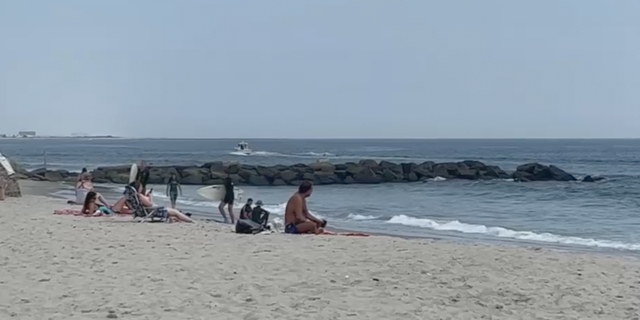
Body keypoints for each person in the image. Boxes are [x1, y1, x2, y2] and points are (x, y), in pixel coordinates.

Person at [130, 181, 195, 223]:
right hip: (154, 211)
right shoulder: (140, 195)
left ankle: (183, 219)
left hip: (151, 211)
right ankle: (190, 221)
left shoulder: (136, 196)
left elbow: (145, 204)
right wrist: (150, 196)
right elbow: (150, 204)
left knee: (174, 213)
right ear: (137, 188)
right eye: (140, 187)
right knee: (176, 212)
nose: (141, 188)